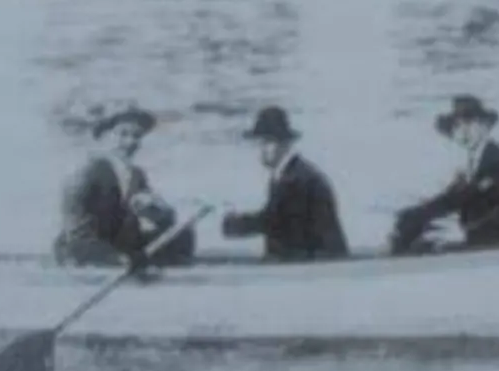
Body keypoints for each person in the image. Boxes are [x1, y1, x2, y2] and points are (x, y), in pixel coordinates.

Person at [391, 96, 499, 254]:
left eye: (470, 123)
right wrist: (414, 216)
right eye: (457, 126)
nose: (464, 131)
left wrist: (459, 233)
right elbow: (452, 200)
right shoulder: (470, 167)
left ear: (485, 126)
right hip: (482, 247)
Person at [55, 103, 197, 268]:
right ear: (103, 136)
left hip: (123, 244)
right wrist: (116, 258)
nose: (130, 142)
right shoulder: (86, 175)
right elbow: (78, 234)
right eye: (122, 134)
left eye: (137, 136)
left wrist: (157, 211)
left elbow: (160, 218)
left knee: (182, 235)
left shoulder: (136, 175)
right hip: (87, 248)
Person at [222, 106, 349, 261]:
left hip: (319, 264)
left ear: (283, 143)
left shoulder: (299, 180)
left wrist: (238, 225)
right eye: (260, 144)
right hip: (301, 260)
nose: (261, 150)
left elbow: (275, 220)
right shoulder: (286, 176)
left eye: (266, 143)